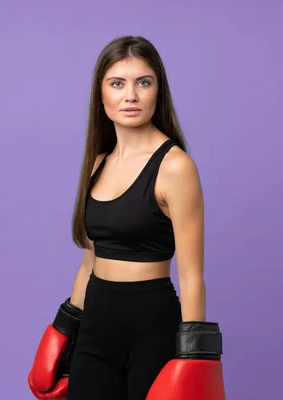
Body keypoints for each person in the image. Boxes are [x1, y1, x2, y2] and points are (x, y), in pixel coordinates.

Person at [28, 35, 226, 400]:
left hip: (151, 322)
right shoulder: (98, 164)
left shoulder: (175, 167)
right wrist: (64, 327)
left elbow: (191, 275)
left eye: (143, 82)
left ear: (157, 92)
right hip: (96, 322)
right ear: (101, 97)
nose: (130, 95)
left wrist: (195, 358)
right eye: (117, 83)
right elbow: (89, 262)